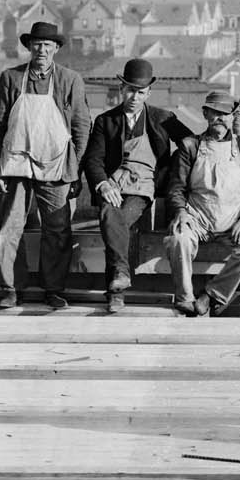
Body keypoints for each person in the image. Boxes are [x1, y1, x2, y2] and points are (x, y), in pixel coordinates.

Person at [0, 20, 92, 310]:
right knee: (10, 226)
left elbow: (82, 127)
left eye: (47, 45)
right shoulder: (11, 78)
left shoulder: (70, 80)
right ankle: (10, 288)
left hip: (55, 165)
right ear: (29, 47)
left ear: (56, 48)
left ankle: (53, 288)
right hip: (16, 163)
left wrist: (75, 168)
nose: (42, 50)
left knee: (57, 229)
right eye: (37, 44)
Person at [82, 58, 188, 314]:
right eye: (130, 89)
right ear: (122, 89)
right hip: (115, 183)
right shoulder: (106, 121)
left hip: (144, 186)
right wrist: (104, 184)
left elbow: (191, 142)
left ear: (148, 93)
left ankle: (116, 287)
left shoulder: (163, 118)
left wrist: (177, 169)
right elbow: (93, 160)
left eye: (140, 92)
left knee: (116, 222)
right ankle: (118, 282)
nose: (134, 96)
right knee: (110, 213)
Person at [163, 90, 240, 317]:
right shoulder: (190, 146)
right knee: (177, 240)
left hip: (233, 222)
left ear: (232, 117)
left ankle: (211, 295)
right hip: (197, 218)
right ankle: (186, 299)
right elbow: (176, 188)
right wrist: (181, 212)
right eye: (214, 113)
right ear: (205, 114)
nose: (220, 118)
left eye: (225, 114)